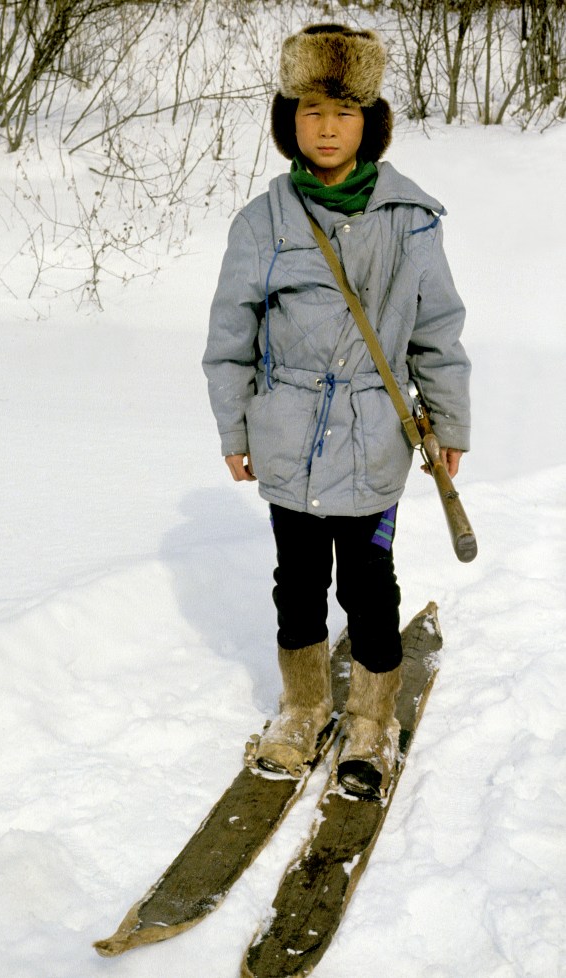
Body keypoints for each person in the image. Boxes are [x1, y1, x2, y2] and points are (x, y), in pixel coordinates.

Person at [202, 24, 470, 798]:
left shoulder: (410, 219)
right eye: (312, 109)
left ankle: (371, 721)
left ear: (371, 124)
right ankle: (303, 706)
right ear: (290, 119)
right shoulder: (263, 222)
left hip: (373, 439)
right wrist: (235, 428)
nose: (327, 127)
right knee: (296, 580)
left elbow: (436, 331)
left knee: (368, 581)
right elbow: (231, 337)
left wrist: (448, 423)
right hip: (286, 437)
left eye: (345, 112)